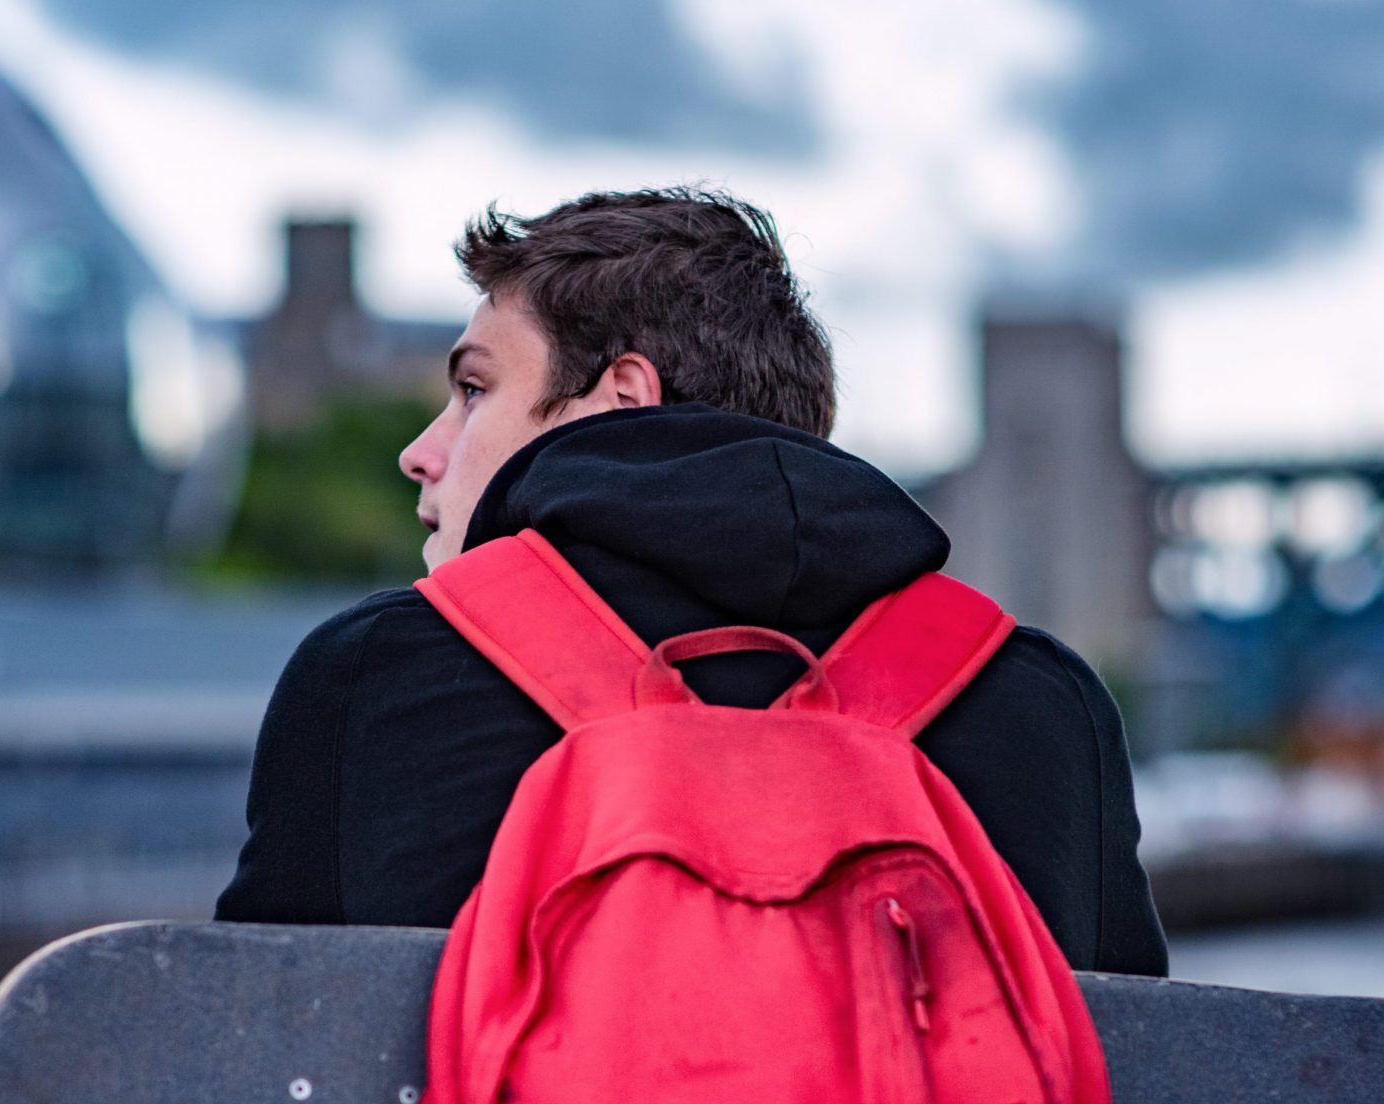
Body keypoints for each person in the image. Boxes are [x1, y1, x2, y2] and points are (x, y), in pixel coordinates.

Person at [216, 187, 1166, 976]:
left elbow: (261, 1057)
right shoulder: (1044, 700)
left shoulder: (377, 673)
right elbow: (1141, 1078)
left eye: (473, 390)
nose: (420, 454)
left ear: (620, 399)